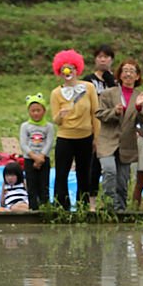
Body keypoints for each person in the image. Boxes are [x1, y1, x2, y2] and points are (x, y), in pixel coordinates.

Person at [95, 58, 143, 213]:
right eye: (125, 70)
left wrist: (138, 107)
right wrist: (114, 112)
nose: (128, 74)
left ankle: (121, 210)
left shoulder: (142, 97)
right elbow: (99, 113)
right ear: (119, 74)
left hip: (127, 143)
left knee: (122, 181)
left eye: (132, 71)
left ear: (137, 76)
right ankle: (108, 207)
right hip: (107, 141)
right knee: (109, 171)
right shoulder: (108, 94)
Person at [50, 49, 99, 210]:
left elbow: (95, 114)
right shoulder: (56, 93)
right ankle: (61, 206)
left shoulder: (89, 88)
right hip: (65, 137)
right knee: (61, 174)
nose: (68, 71)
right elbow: (55, 120)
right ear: (59, 71)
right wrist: (61, 115)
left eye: (71, 67)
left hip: (85, 137)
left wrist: (96, 138)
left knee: (84, 174)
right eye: (64, 68)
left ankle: (83, 205)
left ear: (77, 69)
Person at [83, 44, 116, 207]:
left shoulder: (115, 79)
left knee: (112, 165)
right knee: (93, 164)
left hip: (112, 126)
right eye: (100, 57)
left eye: (106, 57)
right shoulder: (88, 80)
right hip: (93, 125)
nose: (103, 60)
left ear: (112, 60)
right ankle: (92, 201)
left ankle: (111, 200)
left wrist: (111, 80)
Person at [19, 93, 54, 210]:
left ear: (44, 111)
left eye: (38, 110)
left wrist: (41, 156)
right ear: (29, 112)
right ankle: (33, 208)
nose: (36, 113)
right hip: (29, 159)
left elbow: (49, 142)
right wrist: (34, 157)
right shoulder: (25, 126)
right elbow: (23, 143)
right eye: (33, 111)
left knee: (44, 185)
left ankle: (45, 208)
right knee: (31, 185)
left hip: (44, 159)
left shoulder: (48, 126)